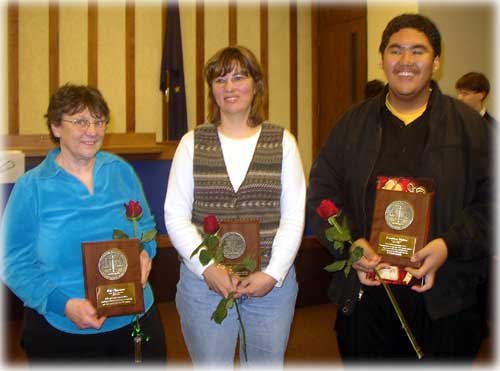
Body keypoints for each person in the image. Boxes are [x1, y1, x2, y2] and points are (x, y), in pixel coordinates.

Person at [307, 14, 491, 362]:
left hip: (445, 299)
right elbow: (322, 196)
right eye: (396, 51)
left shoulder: (470, 128)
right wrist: (349, 245)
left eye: (418, 51)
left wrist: (448, 246)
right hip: (367, 296)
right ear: (382, 58)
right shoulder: (351, 125)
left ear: (436, 62)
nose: (406, 61)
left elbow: (490, 202)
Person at [1, 84, 166, 364]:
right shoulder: (32, 188)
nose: (92, 130)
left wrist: (145, 254)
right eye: (80, 121)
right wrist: (63, 305)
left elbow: (146, 228)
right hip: (62, 329)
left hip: (135, 319)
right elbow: (12, 262)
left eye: (99, 121)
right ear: (55, 127)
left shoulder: (120, 171)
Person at [164, 46, 305, 367]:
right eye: (220, 79)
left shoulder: (283, 142)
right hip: (204, 286)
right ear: (211, 90)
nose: (229, 87)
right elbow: (175, 214)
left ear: (256, 84)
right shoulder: (191, 143)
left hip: (269, 285)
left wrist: (272, 273)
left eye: (239, 77)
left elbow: (294, 215)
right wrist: (207, 268)